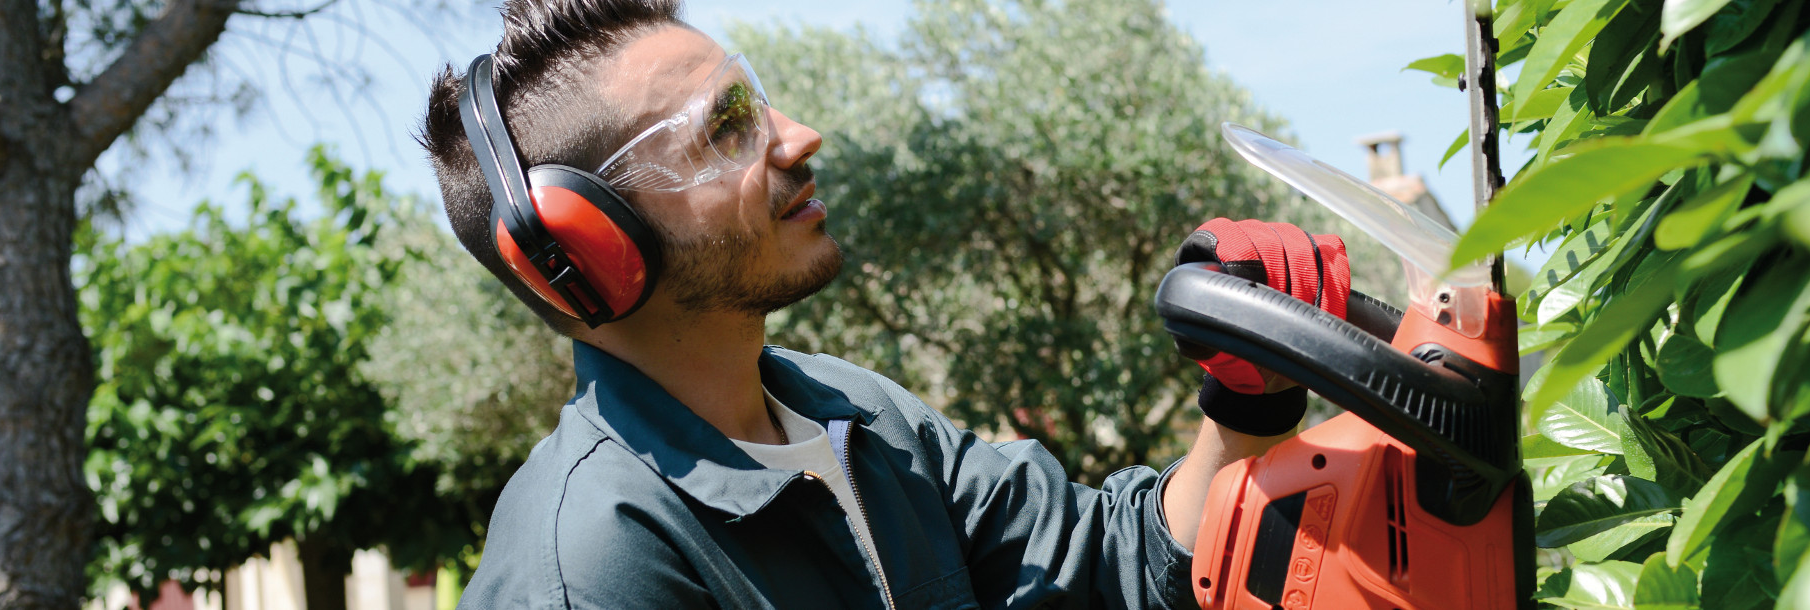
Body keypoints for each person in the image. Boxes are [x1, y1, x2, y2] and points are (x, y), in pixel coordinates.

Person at [415, 1, 1356, 607]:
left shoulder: (855, 417)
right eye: (727, 128)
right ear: (590, 247)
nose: (798, 136)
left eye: (757, 99)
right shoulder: (594, 568)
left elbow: (1111, 565)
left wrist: (1247, 397)